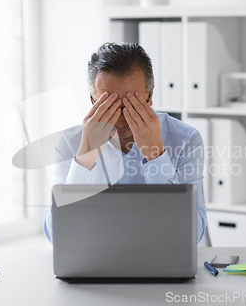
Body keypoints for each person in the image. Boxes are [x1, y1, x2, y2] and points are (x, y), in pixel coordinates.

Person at [43, 42, 207, 243]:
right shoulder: (69, 143)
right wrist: (85, 158)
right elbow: (56, 236)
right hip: (92, 266)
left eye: (131, 106)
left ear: (150, 96)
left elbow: (193, 235)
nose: (120, 122)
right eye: (108, 106)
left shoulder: (186, 140)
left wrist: (156, 156)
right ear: (92, 100)